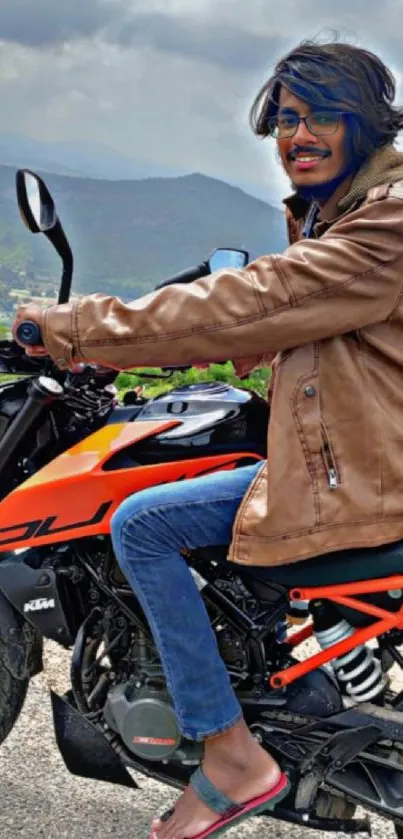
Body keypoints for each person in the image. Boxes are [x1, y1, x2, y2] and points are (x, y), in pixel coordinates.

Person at [13, 39, 403, 839]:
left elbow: (260, 297)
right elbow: (312, 322)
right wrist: (240, 340)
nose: (299, 132)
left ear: (365, 123)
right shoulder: (353, 210)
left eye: (322, 113)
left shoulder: (386, 218)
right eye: (286, 117)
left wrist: (77, 327)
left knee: (143, 523)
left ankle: (230, 754)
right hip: (363, 460)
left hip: (370, 480)